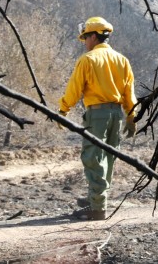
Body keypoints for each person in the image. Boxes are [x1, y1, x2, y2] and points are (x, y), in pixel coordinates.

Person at [58, 16, 138, 221]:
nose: (84, 42)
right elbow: (129, 94)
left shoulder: (88, 60)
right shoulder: (122, 60)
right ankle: (97, 198)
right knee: (108, 158)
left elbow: (74, 89)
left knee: (93, 158)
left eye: (85, 37)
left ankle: (97, 208)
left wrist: (62, 111)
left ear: (93, 36)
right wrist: (131, 118)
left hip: (97, 115)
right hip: (117, 114)